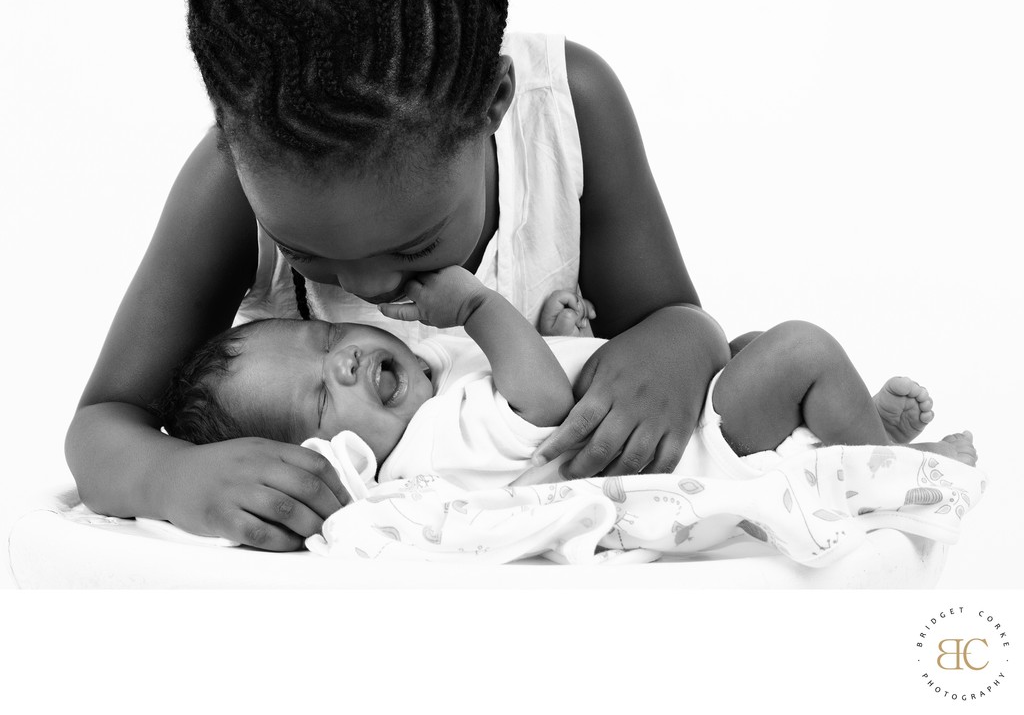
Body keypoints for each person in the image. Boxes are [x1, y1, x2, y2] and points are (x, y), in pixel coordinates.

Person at [66, 0, 737, 550]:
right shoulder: (230, 188)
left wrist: (671, 351)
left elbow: (679, 320)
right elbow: (101, 425)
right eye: (305, 254)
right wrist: (174, 478)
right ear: (232, 147)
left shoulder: (567, 112)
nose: (372, 284)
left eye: (414, 246)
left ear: (494, 104)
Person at [154, 267, 976, 515]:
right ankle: (891, 467)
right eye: (323, 400)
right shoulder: (428, 447)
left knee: (754, 347)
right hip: (698, 448)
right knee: (800, 350)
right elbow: (542, 404)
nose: (339, 364)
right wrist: (482, 306)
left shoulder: (433, 378)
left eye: (327, 339)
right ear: (335, 452)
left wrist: (557, 325)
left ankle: (854, 433)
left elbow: (552, 366)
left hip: (683, 401)